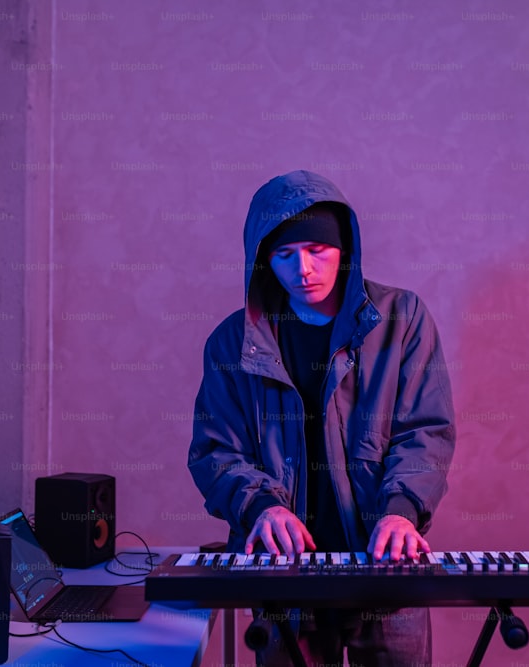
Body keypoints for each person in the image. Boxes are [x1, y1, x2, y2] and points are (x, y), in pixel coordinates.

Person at [187, 170, 456, 666]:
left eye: (318, 250)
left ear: (344, 248)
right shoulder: (231, 342)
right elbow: (215, 451)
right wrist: (260, 507)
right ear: (264, 258)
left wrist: (400, 509)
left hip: (385, 567)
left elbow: (425, 432)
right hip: (283, 576)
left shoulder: (404, 319)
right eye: (285, 255)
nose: (303, 269)